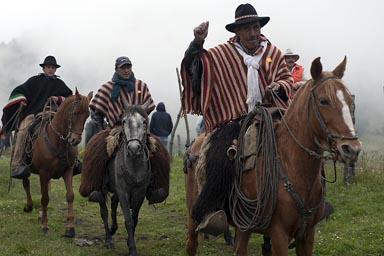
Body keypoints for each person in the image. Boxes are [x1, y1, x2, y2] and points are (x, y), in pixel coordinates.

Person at [180, 3, 294, 234]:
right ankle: (212, 209)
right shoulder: (221, 54)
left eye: (255, 27)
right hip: (233, 119)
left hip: (270, 114)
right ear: (237, 32)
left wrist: (278, 86)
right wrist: (197, 44)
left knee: (300, 144)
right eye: (247, 28)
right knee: (221, 155)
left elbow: (287, 79)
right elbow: (195, 70)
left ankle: (311, 202)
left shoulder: (273, 53)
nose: (253, 33)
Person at [86, 56, 168, 204]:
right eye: (123, 67)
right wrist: (101, 129)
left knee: (159, 151)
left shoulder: (141, 86)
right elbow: (96, 112)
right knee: (98, 151)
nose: (126, 70)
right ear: (116, 69)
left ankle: (155, 187)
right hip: (115, 128)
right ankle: (96, 187)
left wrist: (139, 125)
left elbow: (147, 109)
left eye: (128, 67)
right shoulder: (107, 88)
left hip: (137, 129)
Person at [0, 56, 81, 179]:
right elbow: (18, 91)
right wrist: (22, 100)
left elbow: (71, 99)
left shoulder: (60, 84)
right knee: (23, 131)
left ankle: (75, 161)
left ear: (55, 70)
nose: (50, 69)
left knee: (69, 130)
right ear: (43, 68)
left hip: (54, 115)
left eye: (53, 67)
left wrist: (58, 99)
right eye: (48, 67)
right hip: (34, 114)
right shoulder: (34, 81)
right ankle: (17, 164)